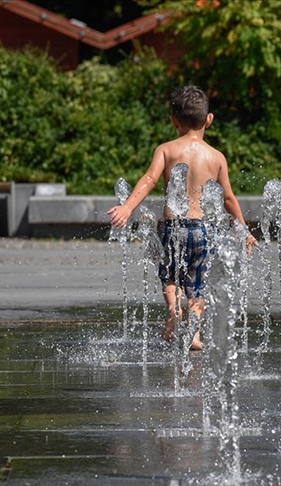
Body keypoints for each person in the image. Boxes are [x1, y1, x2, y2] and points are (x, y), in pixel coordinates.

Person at [107, 85, 256, 350]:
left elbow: (150, 179)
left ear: (173, 120)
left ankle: (175, 311)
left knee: (171, 278)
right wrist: (243, 230)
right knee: (199, 285)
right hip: (205, 230)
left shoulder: (166, 149)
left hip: (174, 228)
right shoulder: (217, 157)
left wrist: (128, 208)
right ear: (209, 120)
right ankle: (195, 334)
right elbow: (228, 198)